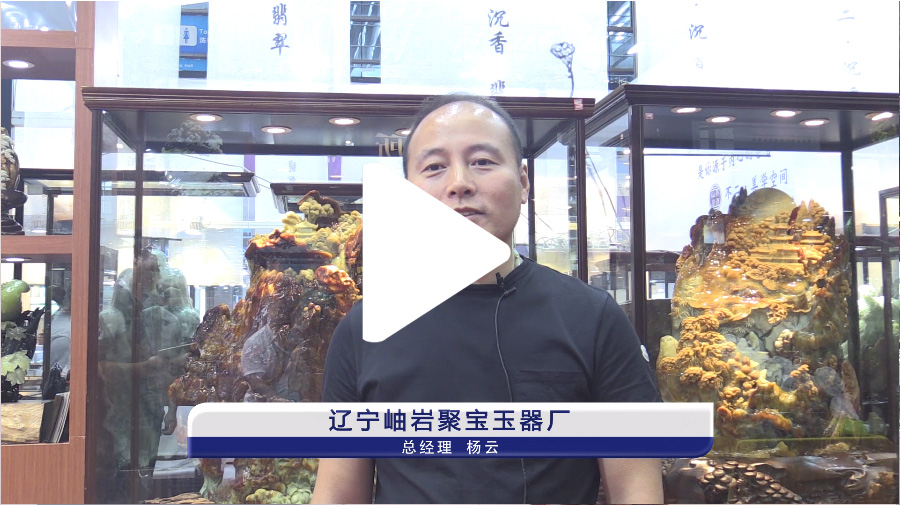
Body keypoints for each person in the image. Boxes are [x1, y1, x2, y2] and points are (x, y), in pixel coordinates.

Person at [312, 94, 664, 504]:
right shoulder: (364, 327)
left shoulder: (592, 317)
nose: (459, 183)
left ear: (524, 182)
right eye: (434, 167)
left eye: (482, 161)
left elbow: (636, 489)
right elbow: (338, 492)